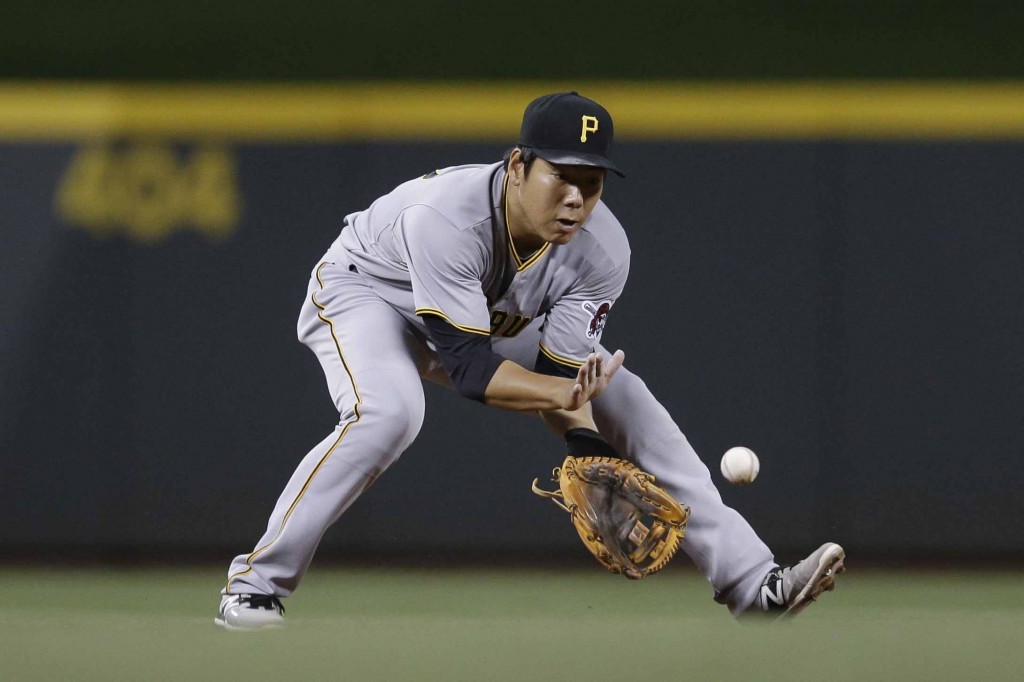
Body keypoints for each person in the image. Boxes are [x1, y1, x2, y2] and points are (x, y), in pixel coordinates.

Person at [215, 92, 844, 630]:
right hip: (369, 292)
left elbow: (561, 373)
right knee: (389, 412)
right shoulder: (447, 219)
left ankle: (754, 583)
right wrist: (562, 400)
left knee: (626, 395)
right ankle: (255, 583)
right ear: (518, 166)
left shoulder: (602, 252)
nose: (575, 197)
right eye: (561, 176)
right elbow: (469, 370)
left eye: (590, 183)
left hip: (474, 320)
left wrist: (587, 444)